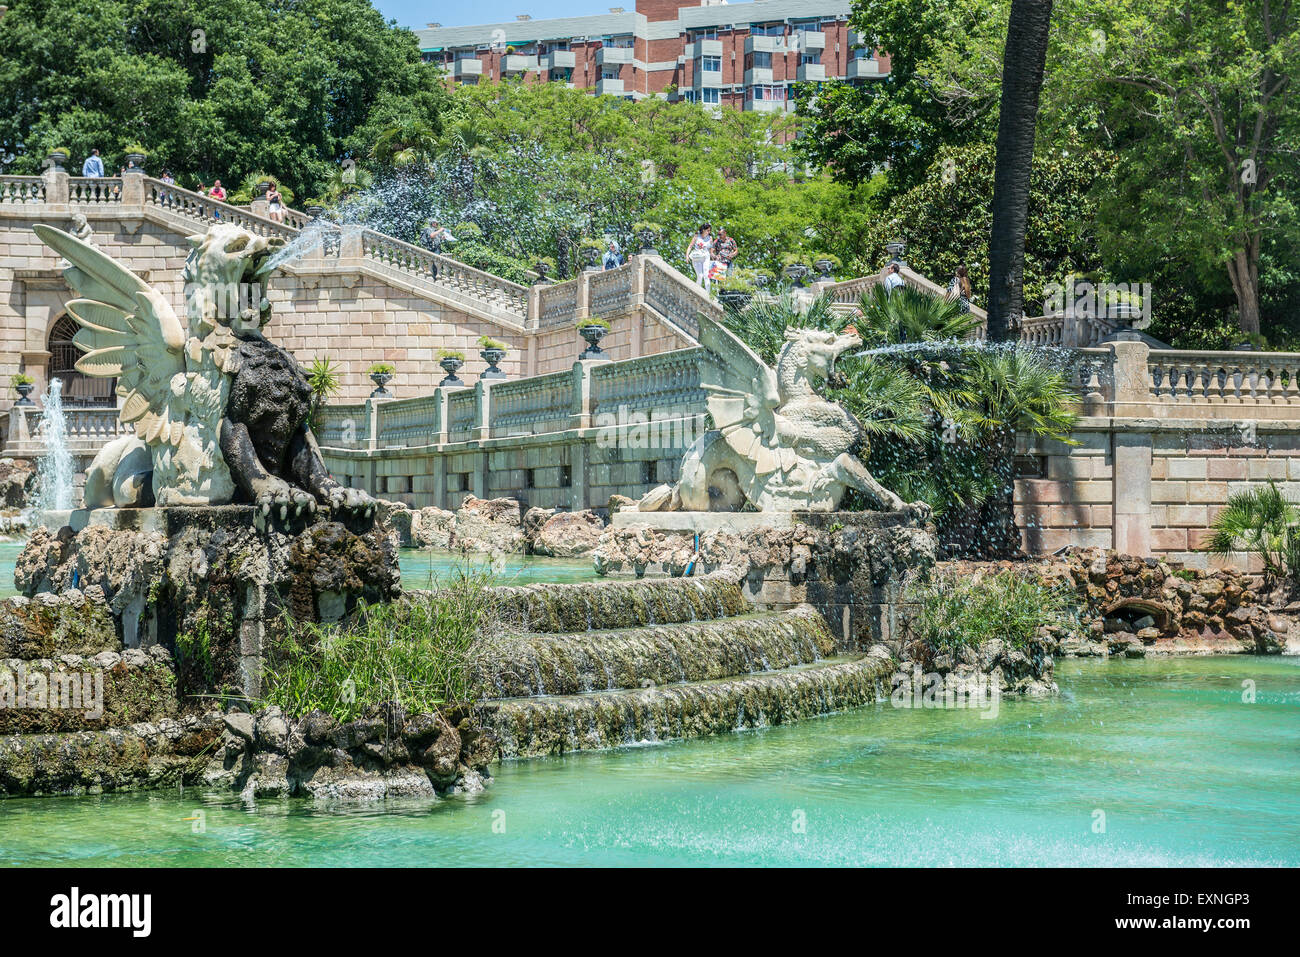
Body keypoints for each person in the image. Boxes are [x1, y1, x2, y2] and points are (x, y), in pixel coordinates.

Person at [686, 223, 713, 291]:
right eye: (708, 230)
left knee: (706, 275)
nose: (709, 232)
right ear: (703, 230)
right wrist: (687, 256)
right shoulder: (697, 236)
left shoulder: (710, 237)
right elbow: (690, 246)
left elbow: (711, 249)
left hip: (706, 257)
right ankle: (698, 291)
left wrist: (713, 256)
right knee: (700, 276)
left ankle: (708, 294)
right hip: (697, 257)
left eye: (710, 230)